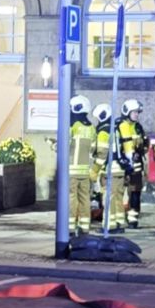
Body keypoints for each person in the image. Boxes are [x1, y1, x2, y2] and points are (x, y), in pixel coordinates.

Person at [113, 99, 150, 230]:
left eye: (137, 112)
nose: (136, 115)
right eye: (134, 112)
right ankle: (118, 219)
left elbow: (145, 144)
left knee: (135, 192)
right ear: (127, 112)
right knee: (118, 193)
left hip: (136, 166)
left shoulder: (138, 127)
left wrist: (141, 148)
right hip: (122, 165)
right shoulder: (120, 125)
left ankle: (133, 219)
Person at [64, 97, 97, 239]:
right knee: (85, 199)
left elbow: (64, 145)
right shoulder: (91, 128)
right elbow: (93, 149)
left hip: (71, 170)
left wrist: (53, 145)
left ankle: (70, 228)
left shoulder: (73, 126)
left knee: (72, 199)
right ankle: (85, 228)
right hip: (85, 171)